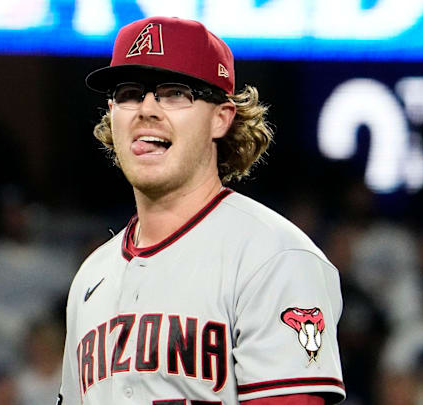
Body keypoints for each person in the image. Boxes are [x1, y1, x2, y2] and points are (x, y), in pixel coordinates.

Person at [59, 16, 345, 405]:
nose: (146, 109)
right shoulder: (92, 276)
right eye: (128, 93)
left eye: (174, 93)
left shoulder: (274, 257)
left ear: (221, 118)